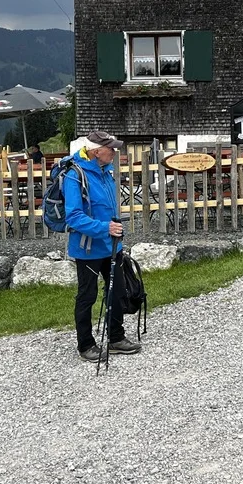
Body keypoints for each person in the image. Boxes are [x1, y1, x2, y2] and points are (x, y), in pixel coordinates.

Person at [63, 130, 143, 361]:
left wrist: (113, 230)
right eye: (111, 149)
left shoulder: (105, 172)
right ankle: (86, 345)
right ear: (97, 151)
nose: (115, 152)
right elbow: (73, 217)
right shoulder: (74, 175)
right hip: (87, 248)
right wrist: (104, 228)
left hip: (112, 246)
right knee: (87, 296)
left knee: (117, 291)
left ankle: (116, 338)